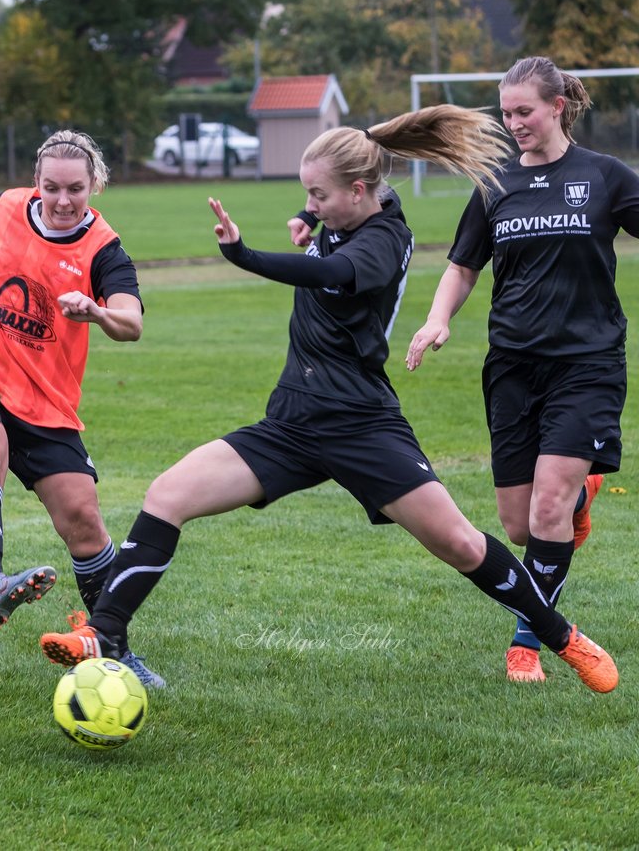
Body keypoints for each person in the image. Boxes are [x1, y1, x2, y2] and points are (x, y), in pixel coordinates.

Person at [40, 105, 619, 694]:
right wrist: (306, 213)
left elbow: (329, 271)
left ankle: (562, 637)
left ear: (358, 191)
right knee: (167, 494)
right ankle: (104, 633)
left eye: (316, 195)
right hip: (292, 419)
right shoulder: (352, 205)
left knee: (462, 544)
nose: (309, 206)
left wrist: (243, 254)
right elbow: (329, 216)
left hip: (360, 424)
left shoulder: (383, 242)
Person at [406, 57, 639, 684]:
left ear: (557, 105)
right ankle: (582, 494)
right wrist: (438, 319)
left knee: (545, 513)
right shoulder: (495, 184)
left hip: (587, 365)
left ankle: (526, 644)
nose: (514, 125)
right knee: (517, 521)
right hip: (511, 366)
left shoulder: (605, 176)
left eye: (524, 112)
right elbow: (462, 266)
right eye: (506, 114)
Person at [0, 129, 166, 687]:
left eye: (75, 190)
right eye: (51, 187)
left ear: (95, 186)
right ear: (35, 182)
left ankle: (112, 647)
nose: (61, 200)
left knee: (82, 519)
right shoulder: (3, 207)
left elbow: (132, 322)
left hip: (46, 400)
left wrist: (97, 313)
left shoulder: (104, 250)